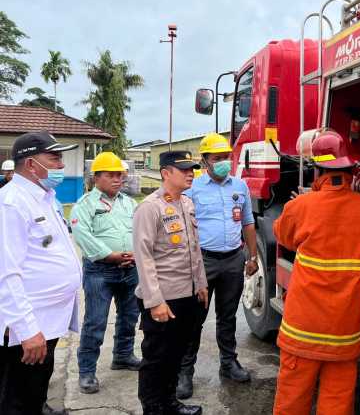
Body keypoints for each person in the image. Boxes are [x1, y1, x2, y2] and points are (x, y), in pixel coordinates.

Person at [272, 130, 360, 415]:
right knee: (337, 405)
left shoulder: (300, 206)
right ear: (350, 168)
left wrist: (299, 204)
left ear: (317, 168)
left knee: (292, 402)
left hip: (302, 328)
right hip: (344, 331)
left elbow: (282, 236)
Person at [0, 132, 82, 415]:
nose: (61, 164)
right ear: (31, 164)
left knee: (34, 391)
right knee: (16, 400)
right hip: (28, 326)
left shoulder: (44, 197)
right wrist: (26, 329)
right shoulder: (11, 203)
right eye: (54, 157)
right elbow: (5, 273)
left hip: (47, 321)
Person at [176, 133, 259, 399]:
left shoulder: (240, 186)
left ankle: (228, 363)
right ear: (205, 162)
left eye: (227, 157)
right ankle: (185, 371)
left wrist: (253, 256)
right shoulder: (192, 190)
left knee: (228, 316)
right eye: (218, 159)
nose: (224, 162)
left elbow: (247, 222)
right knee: (194, 319)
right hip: (203, 262)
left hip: (233, 260)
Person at [133, 151, 208, 415]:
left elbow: (194, 250)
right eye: (184, 169)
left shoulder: (186, 203)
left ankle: (170, 403)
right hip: (163, 299)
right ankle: (153, 408)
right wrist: (155, 302)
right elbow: (144, 259)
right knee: (156, 359)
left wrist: (201, 284)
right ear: (166, 173)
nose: (191, 173)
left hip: (187, 295)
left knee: (176, 355)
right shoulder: (149, 207)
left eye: (192, 169)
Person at [71, 151, 141, 394]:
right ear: (96, 177)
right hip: (100, 271)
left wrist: (135, 253)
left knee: (129, 316)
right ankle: (87, 371)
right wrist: (108, 255)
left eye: (119, 175)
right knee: (96, 321)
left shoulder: (129, 203)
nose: (117, 179)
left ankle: (123, 355)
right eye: (110, 175)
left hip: (130, 269)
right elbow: (82, 235)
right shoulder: (85, 204)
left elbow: (140, 231)